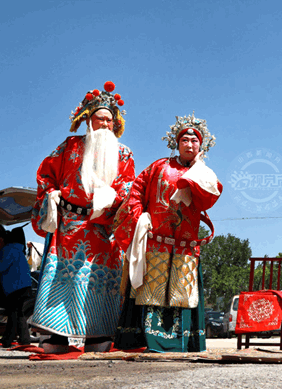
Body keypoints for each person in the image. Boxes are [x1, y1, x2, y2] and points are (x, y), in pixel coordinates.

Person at [31, 81, 135, 353]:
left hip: (104, 228)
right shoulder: (69, 146)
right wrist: (51, 194)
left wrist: (112, 199)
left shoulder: (124, 153)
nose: (105, 125)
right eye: (100, 119)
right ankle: (57, 336)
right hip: (69, 226)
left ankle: (96, 335)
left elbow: (128, 186)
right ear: (88, 120)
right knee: (62, 279)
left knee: (97, 282)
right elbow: (45, 173)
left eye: (110, 121)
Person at [113, 113, 222, 352]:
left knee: (181, 295)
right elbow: (136, 193)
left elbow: (209, 199)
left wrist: (196, 170)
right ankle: (150, 341)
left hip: (185, 245)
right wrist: (139, 217)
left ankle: (181, 342)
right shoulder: (158, 166)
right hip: (155, 242)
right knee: (151, 294)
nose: (190, 144)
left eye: (195, 141)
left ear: (201, 146)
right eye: (185, 140)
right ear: (176, 143)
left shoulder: (204, 174)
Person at [0, 229, 32, 348]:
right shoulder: (16, 249)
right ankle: (22, 340)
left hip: (16, 288)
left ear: (1, 240)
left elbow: (0, 268)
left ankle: (7, 341)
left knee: (14, 314)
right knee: (19, 314)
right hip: (23, 286)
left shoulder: (8, 250)